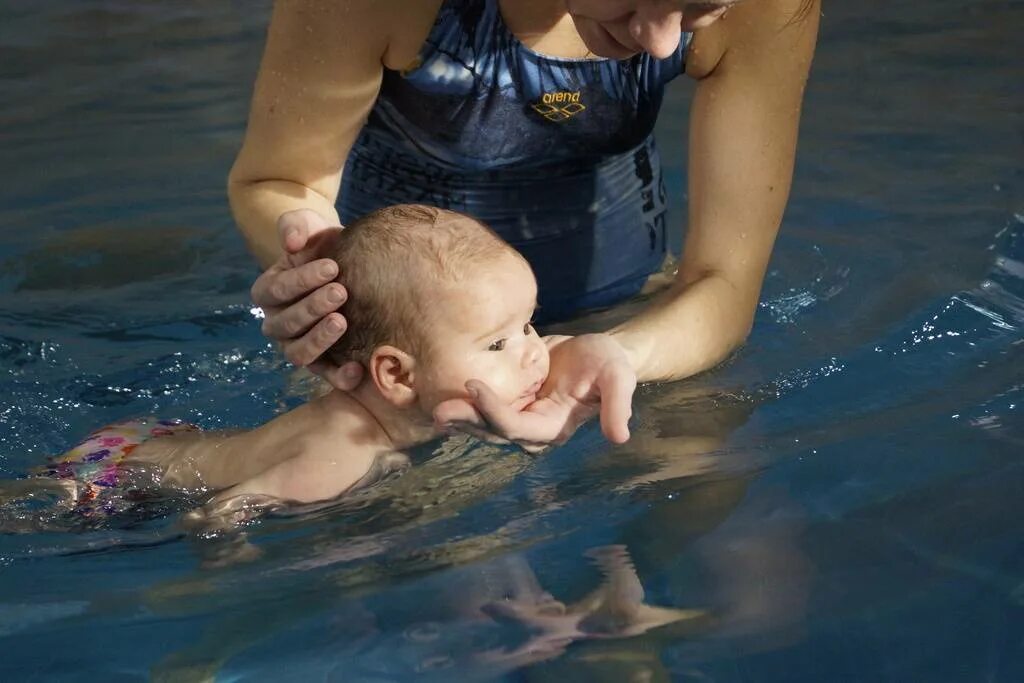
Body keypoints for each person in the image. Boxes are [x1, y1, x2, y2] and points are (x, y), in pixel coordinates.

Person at [229, 0, 820, 449]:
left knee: (716, 528)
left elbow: (724, 280)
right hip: (402, 359)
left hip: (636, 316)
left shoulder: (767, 4)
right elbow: (280, 179)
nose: (664, 42)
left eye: (701, 6)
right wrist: (317, 276)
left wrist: (613, 356)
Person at [0, 206, 551, 530]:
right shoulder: (341, 457)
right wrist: (219, 568)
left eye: (528, 325)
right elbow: (218, 511)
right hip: (109, 474)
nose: (534, 351)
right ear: (397, 376)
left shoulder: (379, 419)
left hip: (157, 440)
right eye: (498, 345)